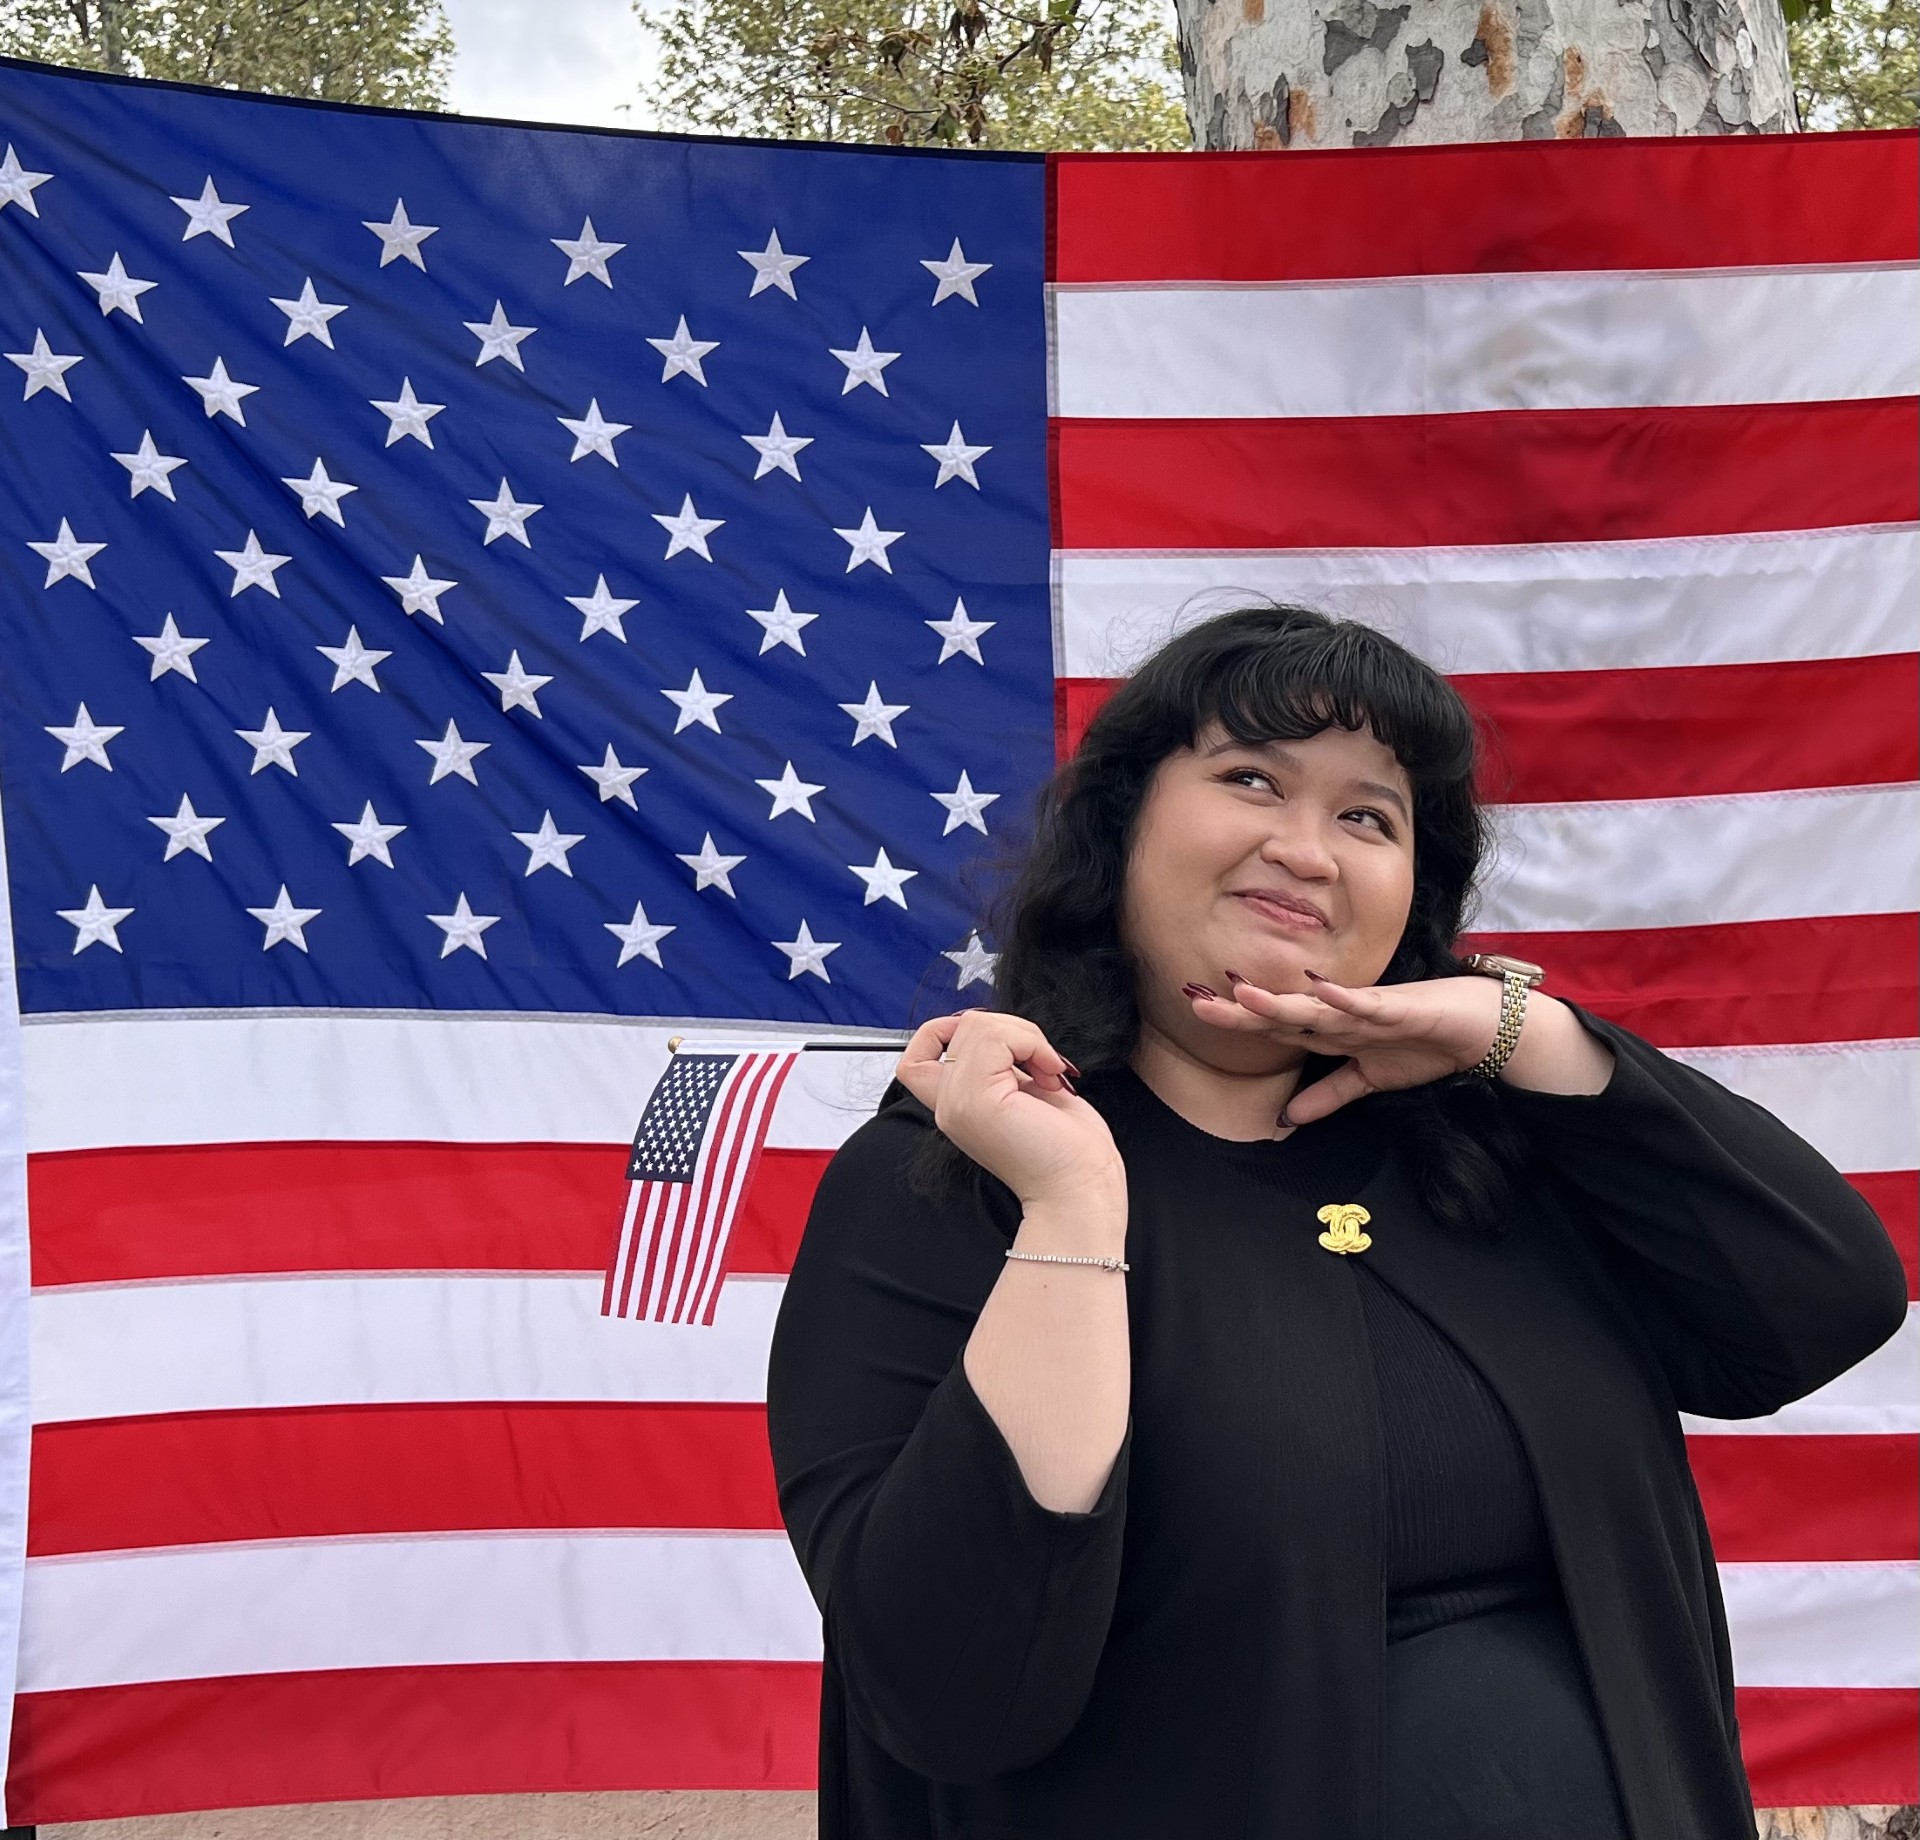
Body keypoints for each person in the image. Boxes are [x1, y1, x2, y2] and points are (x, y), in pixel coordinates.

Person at [765, 605, 1907, 1840]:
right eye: (1252, 778)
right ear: (1123, 827)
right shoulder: (952, 1183)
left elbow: (1825, 1299)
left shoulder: (1497, 1153)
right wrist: (1074, 1210)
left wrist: (1516, 1031)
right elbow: (949, 1691)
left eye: (1368, 816)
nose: (1307, 850)